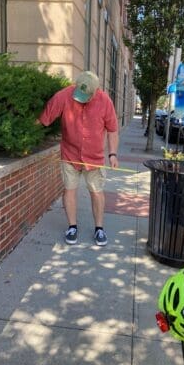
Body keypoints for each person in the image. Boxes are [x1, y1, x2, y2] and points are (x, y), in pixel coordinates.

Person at [36, 71, 119, 246]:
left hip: (94, 157)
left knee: (96, 192)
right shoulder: (64, 96)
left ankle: (99, 229)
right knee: (69, 190)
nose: (81, 98)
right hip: (70, 154)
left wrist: (112, 154)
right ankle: (72, 227)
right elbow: (44, 119)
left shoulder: (105, 101)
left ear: (96, 91)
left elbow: (112, 129)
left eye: (86, 95)